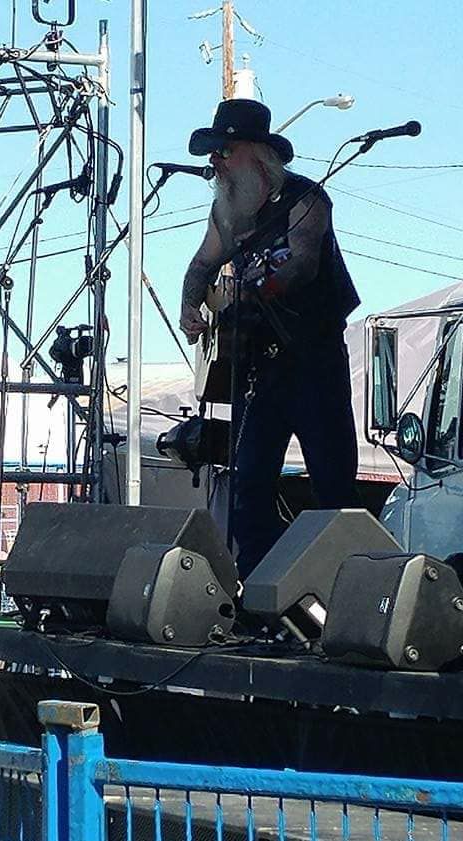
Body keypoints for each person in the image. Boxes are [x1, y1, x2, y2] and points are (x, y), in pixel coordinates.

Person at [180, 98, 360, 580]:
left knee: (333, 484)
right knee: (248, 486)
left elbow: (301, 264)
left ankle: (345, 585)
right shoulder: (227, 212)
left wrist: (252, 288)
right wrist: (189, 306)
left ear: (257, 154)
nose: (215, 161)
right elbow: (201, 265)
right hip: (258, 368)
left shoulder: (306, 199)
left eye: (224, 151)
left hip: (313, 360)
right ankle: (257, 586)